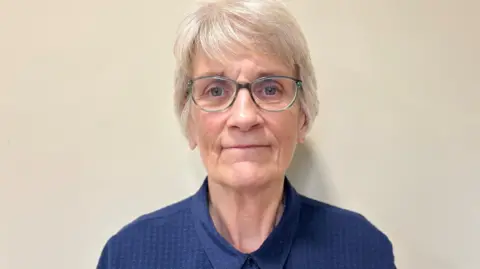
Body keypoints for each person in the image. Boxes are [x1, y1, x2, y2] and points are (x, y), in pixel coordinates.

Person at [96, 0, 396, 268]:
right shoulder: (129, 256)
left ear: (303, 116)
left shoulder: (363, 252)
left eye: (270, 89)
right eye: (215, 90)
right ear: (190, 123)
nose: (244, 117)